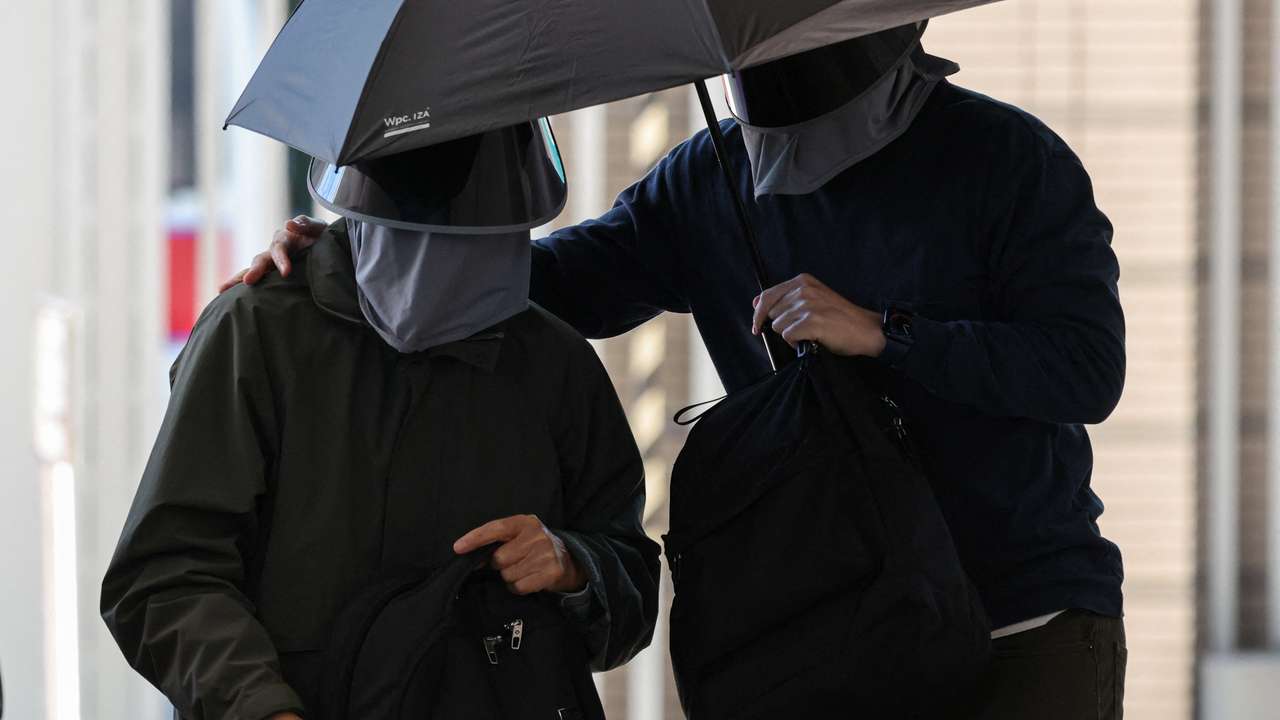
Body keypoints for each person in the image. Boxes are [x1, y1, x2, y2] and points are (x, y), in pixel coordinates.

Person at [227, 24, 1128, 719]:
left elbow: (1087, 367)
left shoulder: (1008, 161)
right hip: (837, 624)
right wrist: (357, 254)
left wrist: (887, 333)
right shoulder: (712, 180)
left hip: (1022, 621)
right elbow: (546, 287)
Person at [103, 119, 660, 720]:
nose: (451, 272)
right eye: (424, 241)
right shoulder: (257, 333)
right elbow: (163, 574)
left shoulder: (554, 363)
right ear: (369, 214)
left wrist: (574, 565)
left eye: (478, 247)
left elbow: (632, 585)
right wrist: (260, 707)